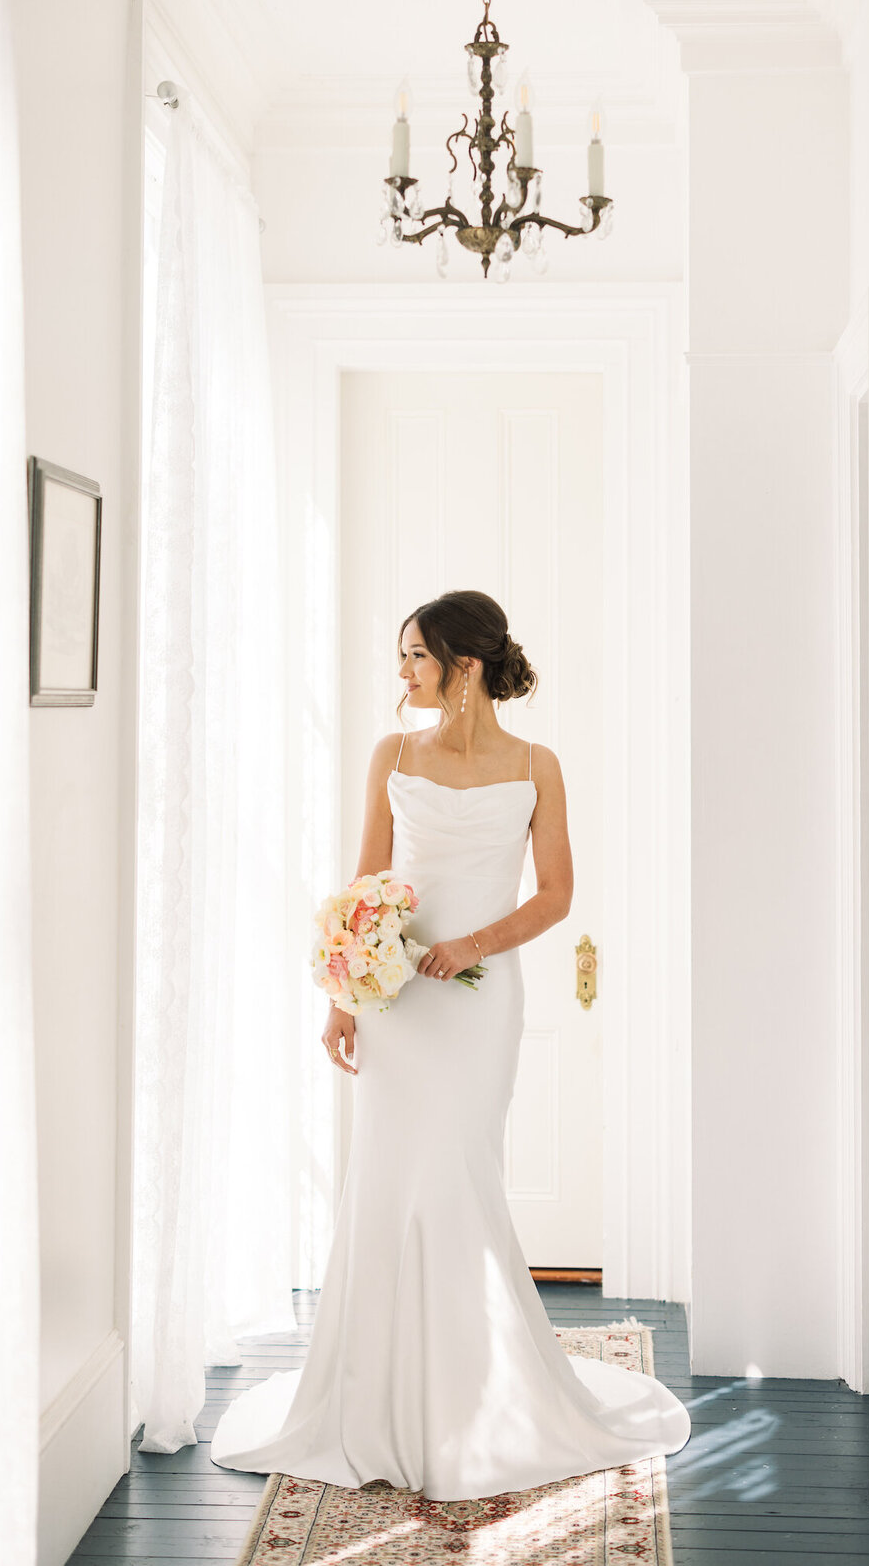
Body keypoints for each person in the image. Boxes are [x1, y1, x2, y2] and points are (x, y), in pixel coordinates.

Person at [210, 589, 691, 1499]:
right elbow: (367, 879)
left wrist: (471, 945)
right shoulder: (391, 755)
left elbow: (555, 894)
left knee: (459, 1177)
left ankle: (476, 1404)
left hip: (477, 1005)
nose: (401, 674)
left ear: (464, 666)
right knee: (388, 1183)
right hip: (395, 1005)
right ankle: (374, 1404)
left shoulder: (538, 765)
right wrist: (342, 996)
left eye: (415, 658)